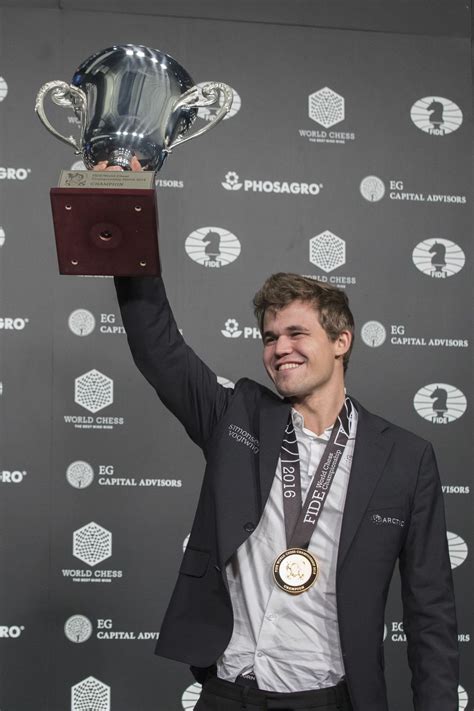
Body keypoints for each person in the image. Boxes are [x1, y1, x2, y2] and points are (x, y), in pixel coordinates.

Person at [100, 161, 459, 711]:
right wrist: (123, 206)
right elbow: (159, 347)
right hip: (227, 692)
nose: (279, 348)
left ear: (342, 341)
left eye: (297, 333)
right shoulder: (237, 416)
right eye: (269, 337)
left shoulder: (406, 458)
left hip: (328, 698)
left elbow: (430, 608)